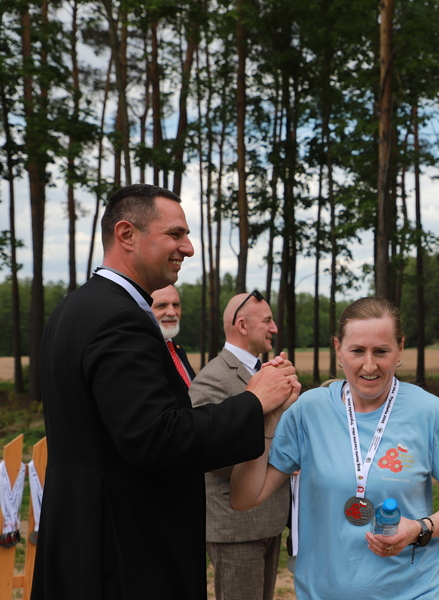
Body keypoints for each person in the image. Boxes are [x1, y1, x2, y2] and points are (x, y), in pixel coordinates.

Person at [35, 183, 301, 600]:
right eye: (176, 234)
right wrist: (254, 401)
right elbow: (158, 438)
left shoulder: (73, 308)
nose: (189, 248)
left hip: (78, 536)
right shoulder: (121, 320)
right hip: (124, 552)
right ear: (126, 234)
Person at [230, 297, 439, 600]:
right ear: (338, 349)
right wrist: (264, 423)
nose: (369, 365)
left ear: (400, 349)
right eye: (357, 351)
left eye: (382, 351)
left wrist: (419, 528)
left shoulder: (429, 412)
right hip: (321, 593)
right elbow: (244, 498)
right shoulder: (309, 410)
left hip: (412, 592)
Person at [190, 292, 291, 600]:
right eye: (267, 321)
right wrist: (278, 464)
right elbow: (205, 450)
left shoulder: (265, 373)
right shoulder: (213, 379)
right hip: (236, 527)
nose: (274, 328)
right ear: (243, 326)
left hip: (268, 517)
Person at [151, 284, 196, 384]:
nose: (172, 312)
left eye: (176, 305)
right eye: (161, 306)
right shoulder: (142, 352)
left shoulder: (178, 350)